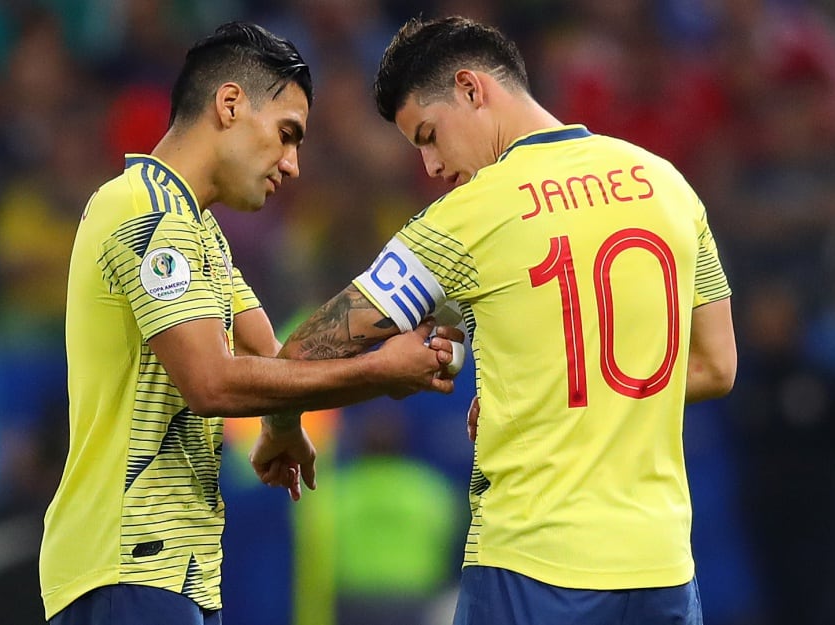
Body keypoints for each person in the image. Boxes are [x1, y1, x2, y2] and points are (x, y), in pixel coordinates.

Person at [252, 16, 736, 625]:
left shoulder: (468, 215)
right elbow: (716, 367)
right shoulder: (668, 185)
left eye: (428, 135)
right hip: (661, 569)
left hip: (531, 565)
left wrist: (283, 428)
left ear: (472, 89)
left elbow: (305, 351)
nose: (430, 166)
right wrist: (551, 394)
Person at [39, 22, 462, 625]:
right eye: (287, 135)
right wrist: (379, 372)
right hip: (126, 561)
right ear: (230, 104)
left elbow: (279, 357)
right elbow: (212, 383)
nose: (291, 165)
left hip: (175, 569)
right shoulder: (142, 210)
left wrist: (284, 427)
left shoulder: (199, 230)